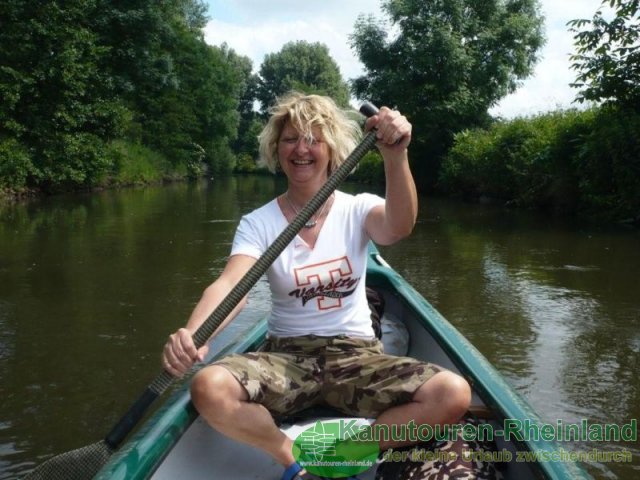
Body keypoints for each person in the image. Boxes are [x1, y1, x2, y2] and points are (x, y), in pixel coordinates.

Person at [162, 92, 471, 480]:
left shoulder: (357, 208)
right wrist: (194, 335)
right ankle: (293, 458)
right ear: (277, 149)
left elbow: (399, 226)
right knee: (209, 386)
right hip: (286, 360)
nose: (301, 149)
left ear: (332, 149)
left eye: (313, 139)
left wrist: (395, 155)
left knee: (453, 393)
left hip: (356, 357)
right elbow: (231, 284)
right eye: (290, 139)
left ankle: (349, 452)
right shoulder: (259, 223)